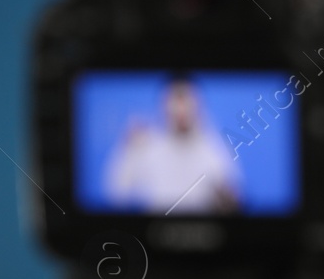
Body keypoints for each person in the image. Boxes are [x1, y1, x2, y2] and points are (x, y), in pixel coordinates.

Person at [103, 73, 242, 214]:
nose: (181, 108)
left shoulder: (212, 147)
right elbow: (115, 194)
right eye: (176, 99)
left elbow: (234, 197)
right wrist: (127, 151)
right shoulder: (144, 144)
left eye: (186, 99)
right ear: (164, 104)